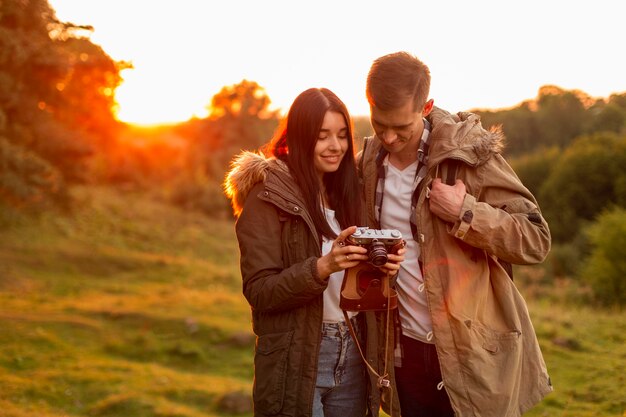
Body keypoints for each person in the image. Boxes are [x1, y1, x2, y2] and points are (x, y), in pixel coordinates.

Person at [358, 51, 553, 417]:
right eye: (379, 123)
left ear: (426, 106)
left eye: (401, 127)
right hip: (402, 356)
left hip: (472, 356)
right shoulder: (368, 160)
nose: (388, 136)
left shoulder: (469, 156)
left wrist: (466, 213)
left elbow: (535, 239)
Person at [223, 87, 403, 417]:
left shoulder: (350, 191)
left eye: (341, 135)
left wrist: (385, 266)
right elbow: (260, 292)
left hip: (355, 352)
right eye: (322, 137)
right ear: (299, 137)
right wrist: (321, 267)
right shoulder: (268, 195)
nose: (335, 147)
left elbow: (355, 284)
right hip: (298, 353)